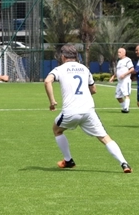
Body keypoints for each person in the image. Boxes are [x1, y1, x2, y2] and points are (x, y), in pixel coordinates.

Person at [44, 44, 131, 173]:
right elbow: (94, 90)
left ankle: (68, 160)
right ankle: (124, 163)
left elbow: (47, 81)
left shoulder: (60, 69)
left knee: (57, 130)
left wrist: (52, 101)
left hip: (71, 111)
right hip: (89, 111)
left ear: (63, 57)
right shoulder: (84, 69)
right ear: (76, 56)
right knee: (105, 138)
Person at [108, 47, 133, 113]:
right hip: (120, 82)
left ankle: (126, 108)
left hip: (125, 80)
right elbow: (118, 71)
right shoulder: (119, 61)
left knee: (126, 95)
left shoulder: (128, 60)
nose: (118, 54)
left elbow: (132, 69)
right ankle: (124, 107)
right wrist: (113, 77)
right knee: (118, 96)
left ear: (124, 53)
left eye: (120, 52)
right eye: (118, 52)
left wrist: (124, 74)